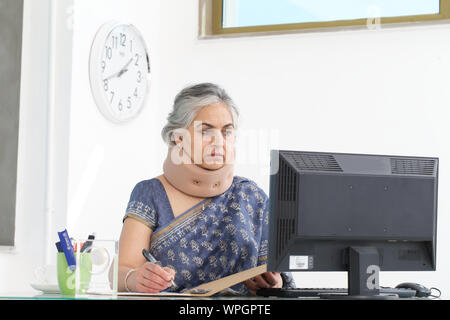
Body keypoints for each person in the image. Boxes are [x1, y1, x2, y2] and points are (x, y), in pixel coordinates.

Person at [117, 82, 295, 295]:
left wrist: (274, 284)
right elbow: (122, 271)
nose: (218, 142)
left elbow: (280, 277)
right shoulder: (150, 193)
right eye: (205, 130)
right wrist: (136, 278)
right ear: (179, 137)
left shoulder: (251, 196)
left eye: (226, 132)